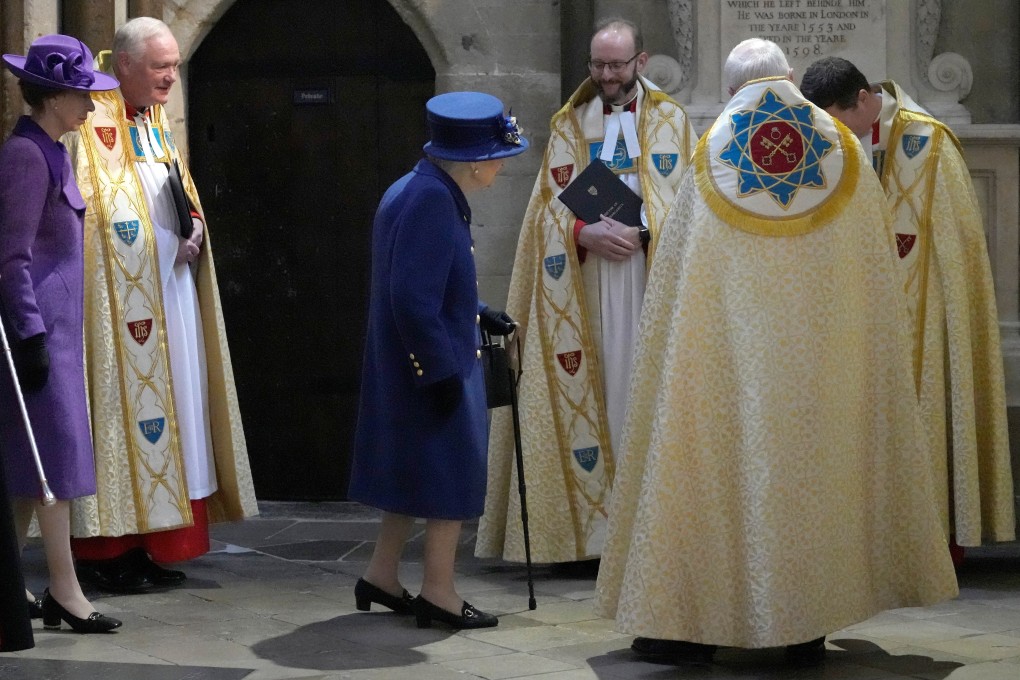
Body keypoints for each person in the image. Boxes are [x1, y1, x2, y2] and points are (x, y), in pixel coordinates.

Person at [594, 39, 959, 665]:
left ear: (736, 87)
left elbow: (682, 272)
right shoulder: (841, 148)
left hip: (724, 363)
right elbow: (869, 267)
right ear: (788, 77)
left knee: (709, 476)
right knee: (811, 478)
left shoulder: (713, 153)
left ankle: (688, 627)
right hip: (821, 366)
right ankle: (803, 627)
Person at [475, 17, 696, 566]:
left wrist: (646, 233)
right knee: (599, 394)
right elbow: (542, 218)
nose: (605, 75)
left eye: (616, 65)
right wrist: (581, 231)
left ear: (640, 63)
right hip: (586, 285)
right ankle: (591, 539)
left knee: (643, 395)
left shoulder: (674, 122)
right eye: (597, 65)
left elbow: (691, 209)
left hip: (649, 280)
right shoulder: (570, 125)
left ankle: (655, 533)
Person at [64, 17, 257, 592]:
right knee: (120, 417)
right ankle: (107, 550)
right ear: (122, 65)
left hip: (168, 296)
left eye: (174, 66)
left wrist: (193, 227)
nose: (171, 76)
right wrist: (163, 245)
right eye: (160, 67)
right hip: (118, 304)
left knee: (173, 414)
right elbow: (97, 219)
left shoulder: (152, 120)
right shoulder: (88, 124)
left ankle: (151, 540)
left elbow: (170, 190)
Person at [800, 58, 1015, 561]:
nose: (835, 133)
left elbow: (957, 253)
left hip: (917, 313)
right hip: (851, 309)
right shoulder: (828, 137)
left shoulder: (930, 143)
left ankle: (930, 534)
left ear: (864, 99)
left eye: (839, 119)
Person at [348, 91, 527, 629]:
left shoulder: (419, 185)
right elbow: (412, 298)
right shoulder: (431, 199)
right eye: (497, 154)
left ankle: (382, 575)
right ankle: (439, 592)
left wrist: (478, 310)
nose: (500, 164)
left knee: (411, 475)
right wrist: (442, 370)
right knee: (451, 483)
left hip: (414, 363)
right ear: (473, 161)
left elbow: (430, 281)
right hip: (432, 366)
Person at [0, 34, 122, 633]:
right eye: (82, 95)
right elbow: (11, 256)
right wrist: (29, 334)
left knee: (33, 467)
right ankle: (66, 590)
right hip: (40, 334)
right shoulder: (26, 155)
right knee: (55, 463)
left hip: (59, 332)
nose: (91, 107)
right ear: (52, 97)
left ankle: (9, 582)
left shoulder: (50, 148)